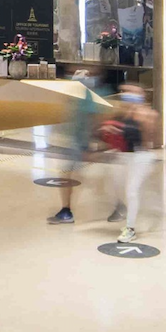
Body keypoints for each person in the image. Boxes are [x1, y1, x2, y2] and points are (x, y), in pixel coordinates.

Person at [47, 68, 111, 225]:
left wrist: (90, 144)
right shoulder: (85, 93)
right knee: (73, 175)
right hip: (77, 142)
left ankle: (66, 211)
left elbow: (93, 118)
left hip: (80, 143)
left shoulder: (88, 94)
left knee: (68, 175)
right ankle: (66, 210)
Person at [107, 85, 159, 242]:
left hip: (140, 156)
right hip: (125, 156)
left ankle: (130, 229)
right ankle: (126, 209)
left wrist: (141, 120)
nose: (127, 101)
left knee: (131, 191)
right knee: (116, 186)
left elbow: (150, 141)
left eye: (131, 97)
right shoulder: (122, 114)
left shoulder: (147, 115)